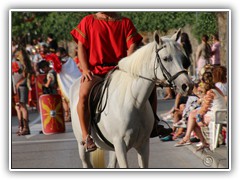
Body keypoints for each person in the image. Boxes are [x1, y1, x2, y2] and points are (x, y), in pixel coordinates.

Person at [70, 12, 144, 152]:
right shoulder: (88, 21)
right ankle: (86, 136)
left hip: (119, 71)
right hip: (96, 71)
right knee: (84, 96)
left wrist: (127, 66)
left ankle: (153, 125)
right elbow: (81, 47)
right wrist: (85, 69)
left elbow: (132, 47)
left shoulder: (125, 22)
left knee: (148, 87)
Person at [174, 68, 227, 150]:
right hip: (220, 113)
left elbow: (204, 108)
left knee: (193, 118)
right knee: (192, 116)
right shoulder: (216, 89)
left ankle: (192, 139)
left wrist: (199, 118)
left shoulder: (210, 92)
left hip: (216, 116)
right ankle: (191, 138)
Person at [13, 47, 34, 136]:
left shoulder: (19, 64)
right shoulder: (21, 63)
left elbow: (24, 76)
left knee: (22, 106)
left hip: (21, 86)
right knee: (19, 107)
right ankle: (22, 126)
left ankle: (25, 127)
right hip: (18, 86)